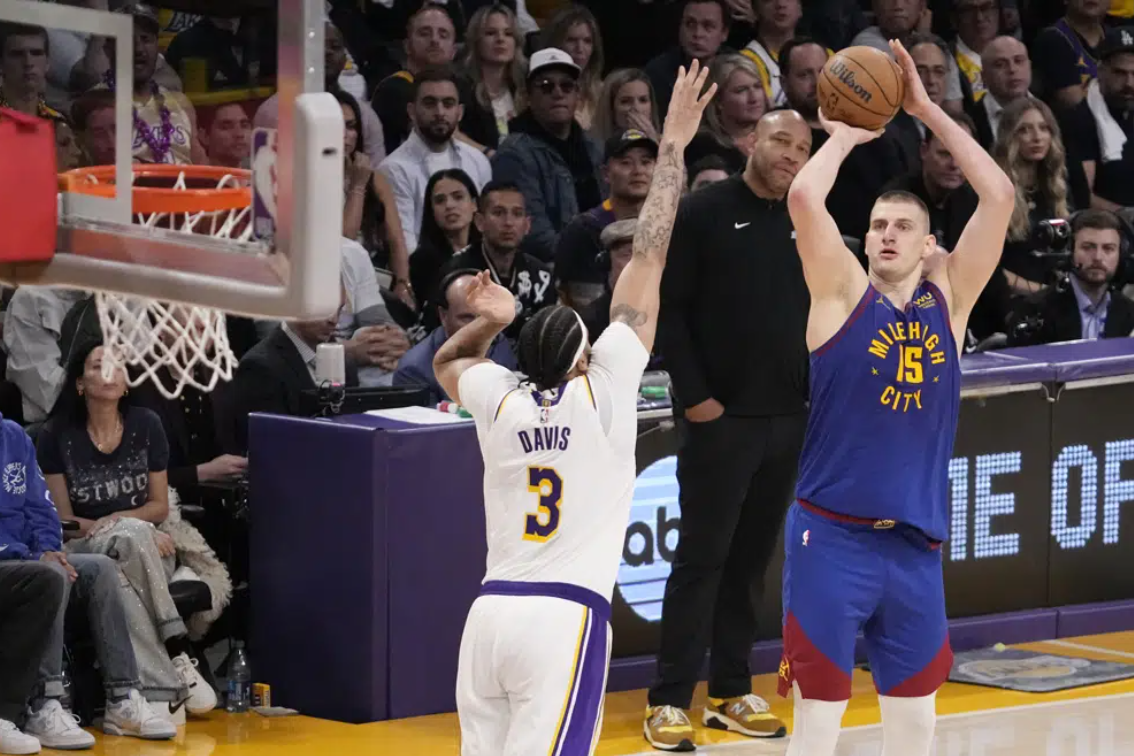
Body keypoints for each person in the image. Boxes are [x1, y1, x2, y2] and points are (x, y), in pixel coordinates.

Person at [434, 61, 717, 756]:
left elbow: (449, 363)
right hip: (563, 617)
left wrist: (488, 320)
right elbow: (648, 255)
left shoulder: (501, 401)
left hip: (490, 614)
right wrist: (673, 146)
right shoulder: (606, 392)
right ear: (583, 355)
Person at [778, 39, 1014, 756]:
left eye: (901, 226)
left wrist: (926, 110)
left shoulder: (951, 300)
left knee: (916, 727)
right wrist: (844, 135)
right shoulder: (842, 294)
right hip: (831, 540)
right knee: (818, 721)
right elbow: (801, 196)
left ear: (929, 244)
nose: (885, 234)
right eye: (878, 225)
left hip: (913, 549)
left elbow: (999, 195)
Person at [644, 108, 813, 756]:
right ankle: (668, 699)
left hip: (787, 418)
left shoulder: (807, 219)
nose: (789, 154)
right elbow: (671, 308)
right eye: (779, 140)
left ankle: (729, 691)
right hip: (721, 420)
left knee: (750, 562)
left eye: (801, 146)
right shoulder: (707, 211)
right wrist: (698, 400)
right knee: (702, 561)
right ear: (752, 140)